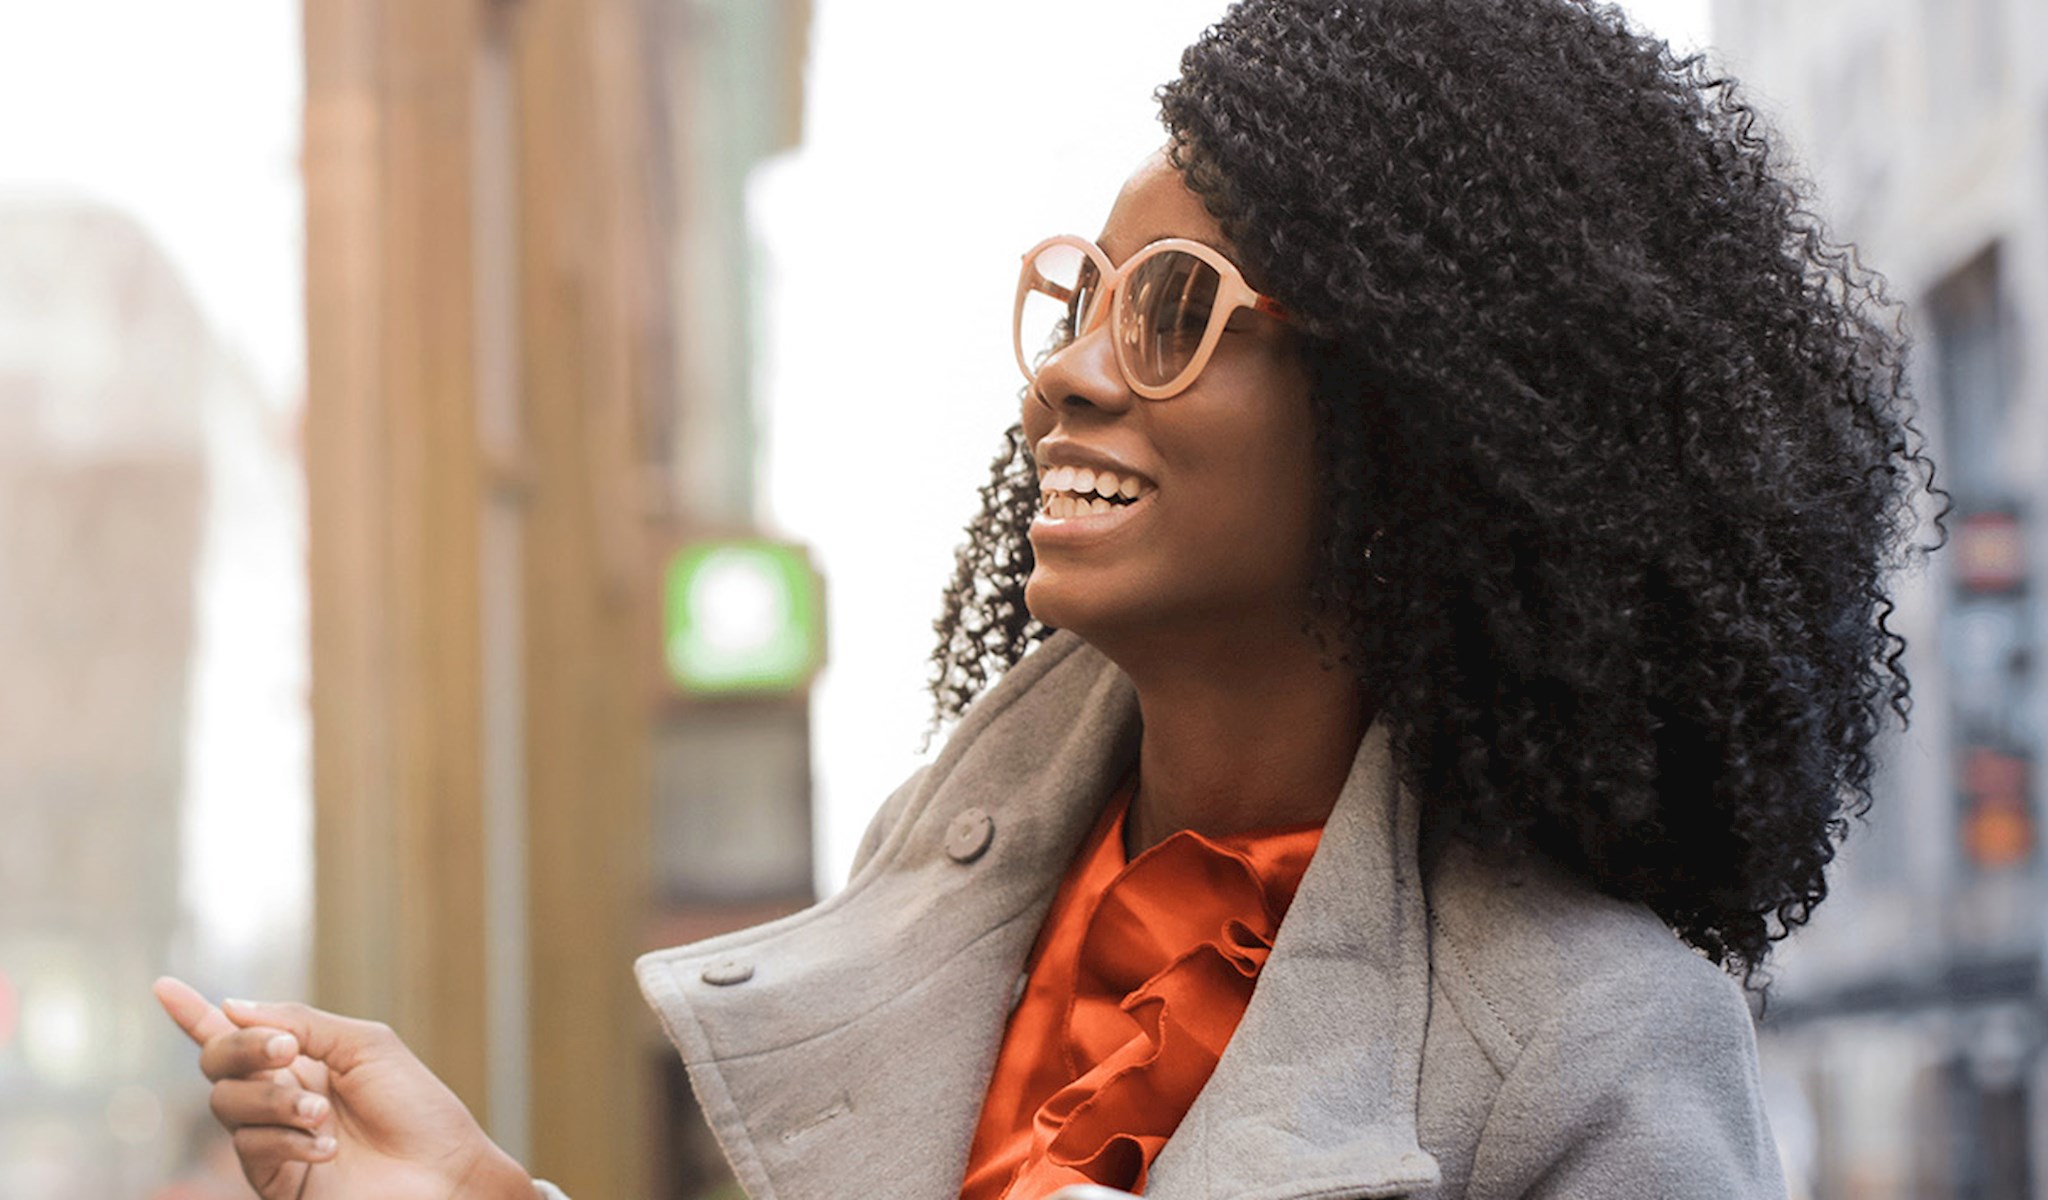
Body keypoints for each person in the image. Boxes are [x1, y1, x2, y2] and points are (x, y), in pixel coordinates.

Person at [155, 0, 1947, 1196]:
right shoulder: (953, 855)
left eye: (1169, 310)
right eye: (1080, 299)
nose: (1066, 382)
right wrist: (477, 1188)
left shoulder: (1587, 1038)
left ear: (1419, 414)